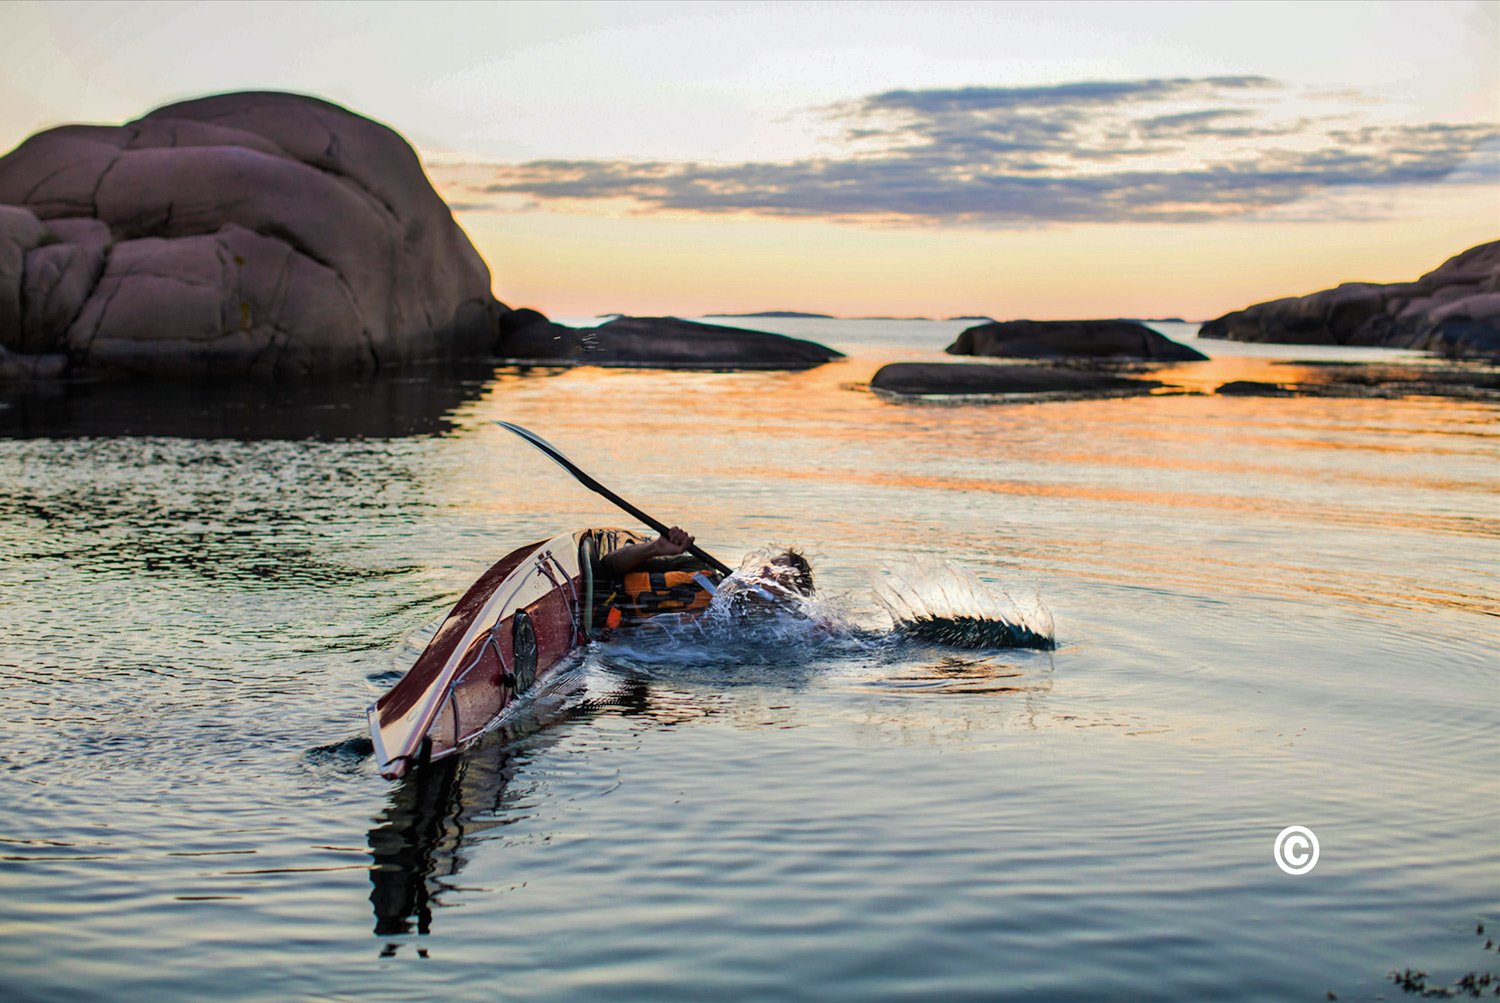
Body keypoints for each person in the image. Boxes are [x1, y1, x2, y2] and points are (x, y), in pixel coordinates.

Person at [598, 527, 814, 629]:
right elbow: (609, 564)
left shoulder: (744, 632)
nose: (765, 572)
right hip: (598, 602)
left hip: (608, 642)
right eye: (769, 565)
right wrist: (654, 548)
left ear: (786, 598)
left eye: (777, 577)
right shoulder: (698, 567)